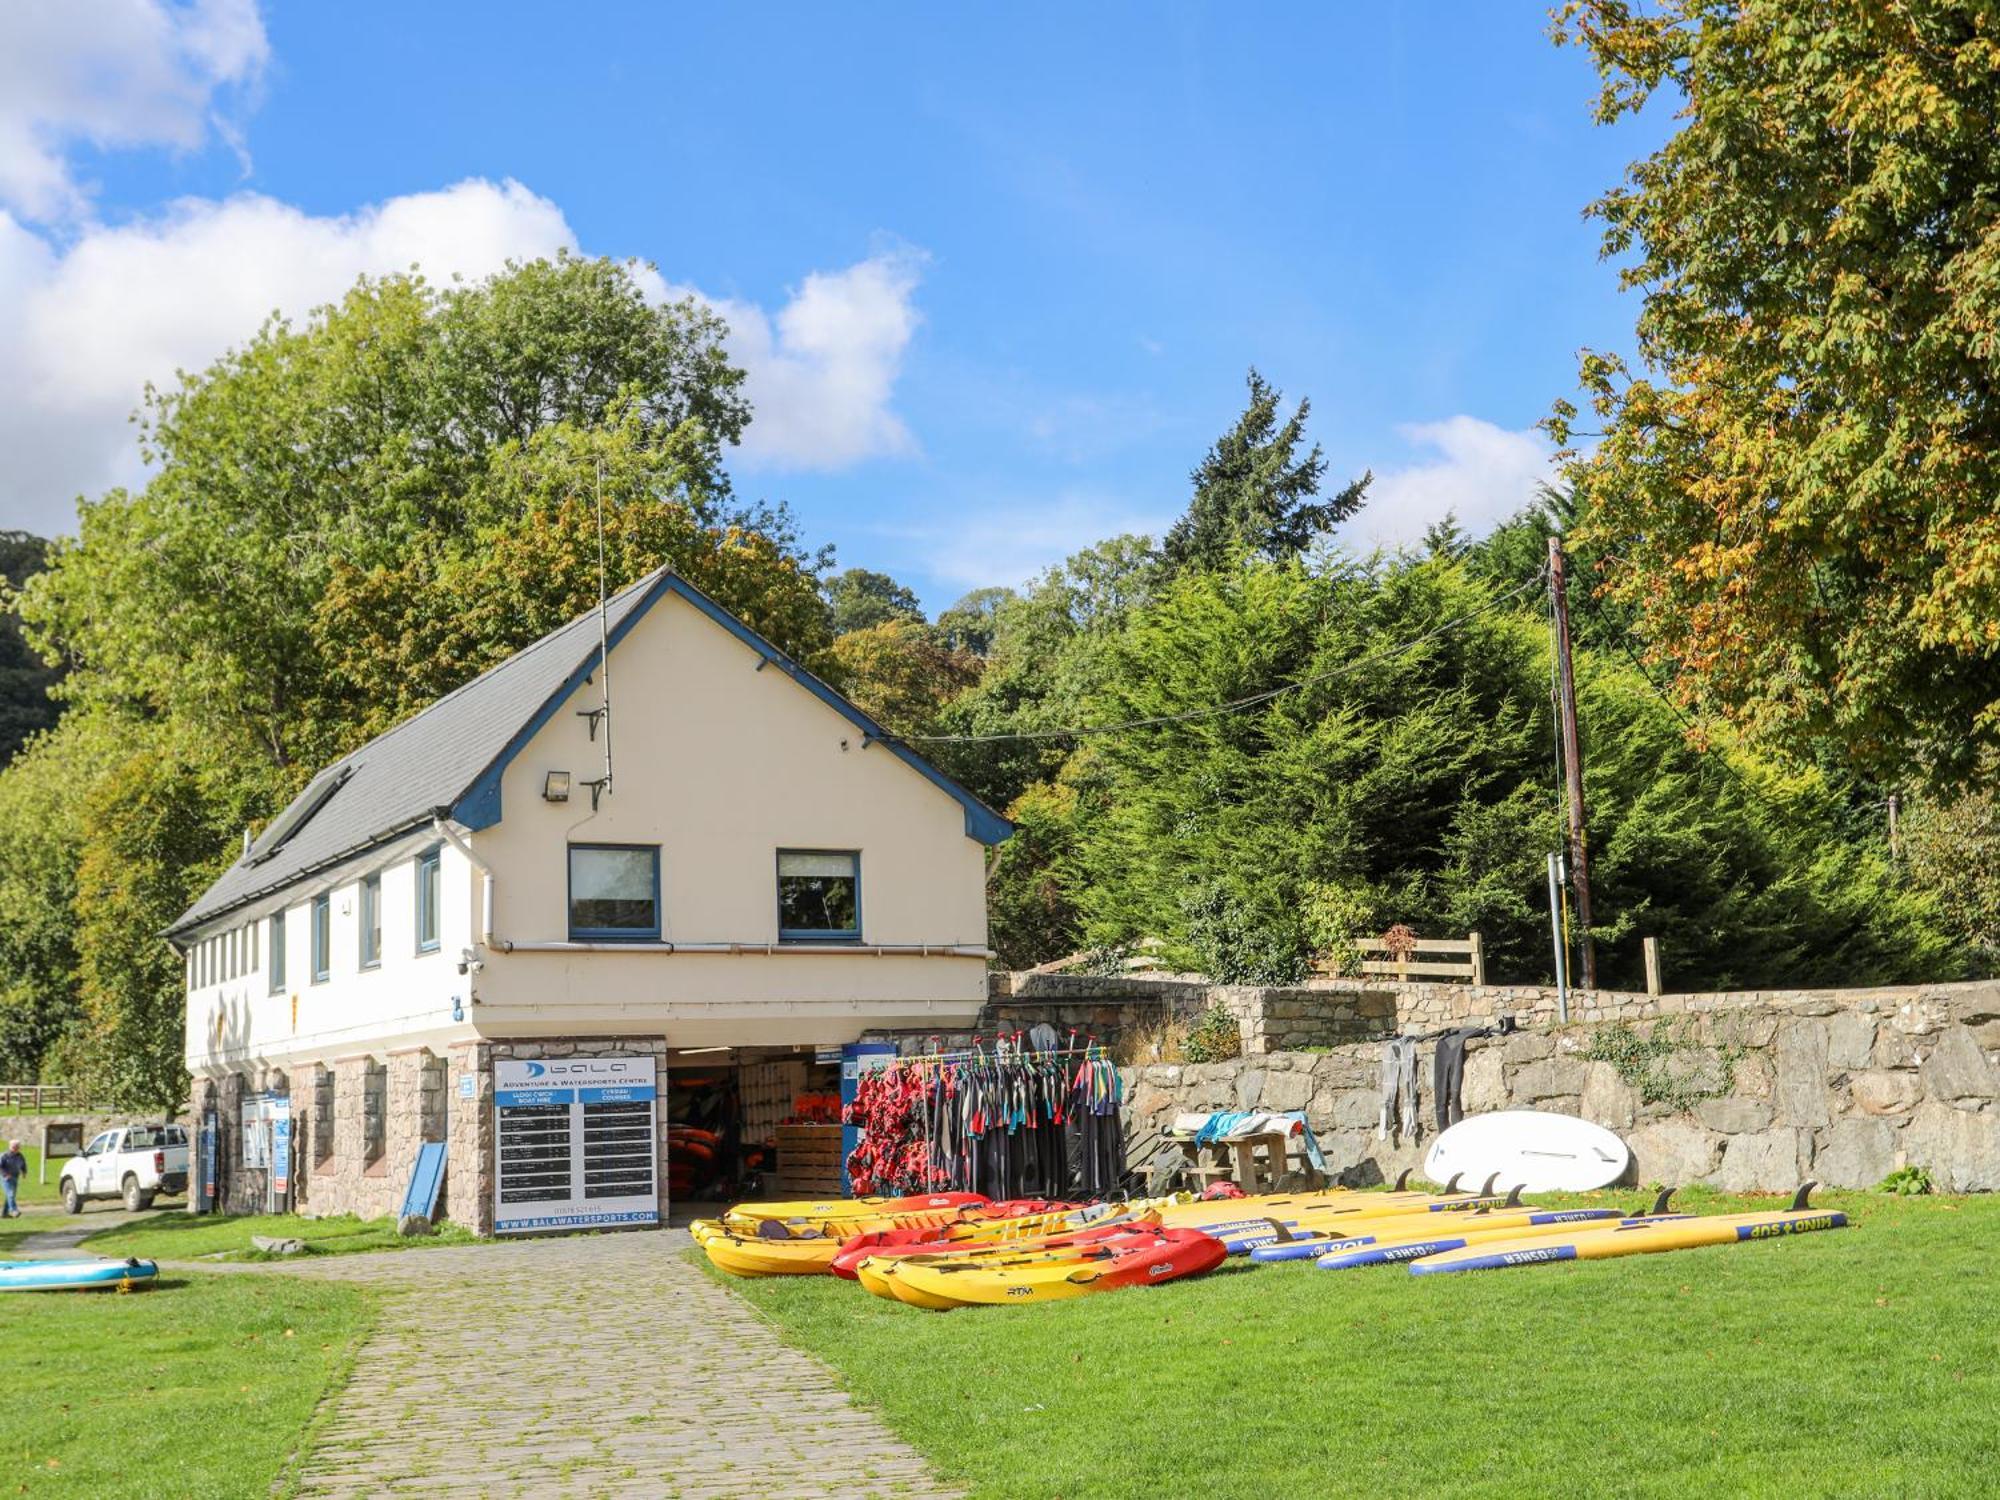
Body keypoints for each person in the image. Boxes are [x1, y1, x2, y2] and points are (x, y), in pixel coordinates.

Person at [0, 1139, 25, 1218]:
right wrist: (5, 1175)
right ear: (10, 1147)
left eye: (17, 1147)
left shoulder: (20, 1155)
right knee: (10, 1194)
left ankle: (4, 1213)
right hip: (5, 1178)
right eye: (14, 1147)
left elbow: (23, 1164)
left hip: (15, 1176)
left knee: (11, 1195)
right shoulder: (4, 1155)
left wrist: (24, 1172)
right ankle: (14, 1210)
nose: (16, 1148)